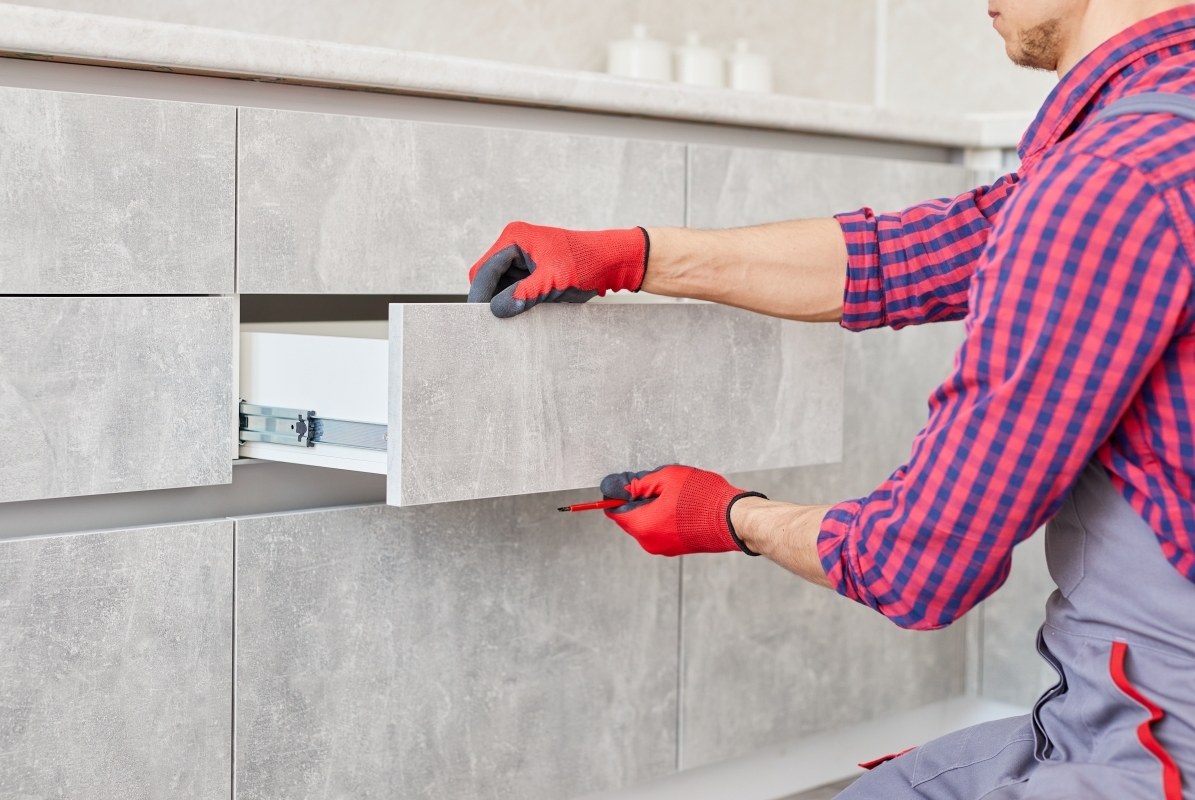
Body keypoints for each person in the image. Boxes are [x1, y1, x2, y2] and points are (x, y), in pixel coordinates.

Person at [467, 2, 1195, 797]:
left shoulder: (1110, 179)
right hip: (1102, 714)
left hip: (1157, 751)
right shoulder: (1155, 133)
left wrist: (732, 516)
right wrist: (630, 255)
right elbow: (903, 255)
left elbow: (923, 558)